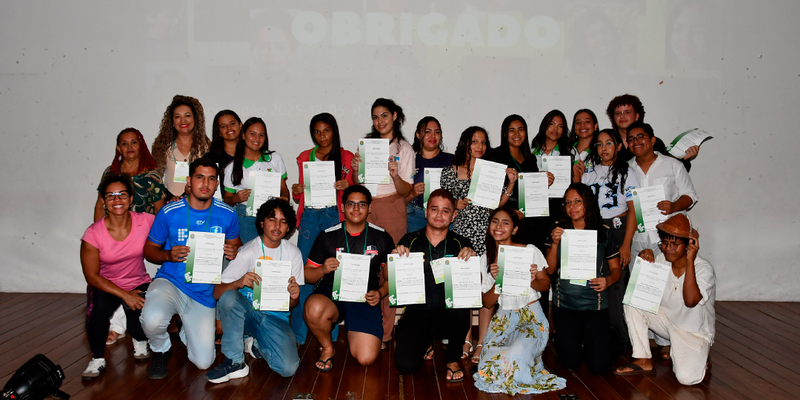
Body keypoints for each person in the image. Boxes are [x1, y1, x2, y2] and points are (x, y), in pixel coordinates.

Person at [140, 158, 242, 379]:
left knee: (204, 362)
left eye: (211, 179)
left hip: (204, 293)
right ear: (189, 181)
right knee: (151, 319)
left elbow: (237, 246)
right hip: (171, 282)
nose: (205, 184)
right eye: (199, 177)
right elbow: (148, 250)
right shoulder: (169, 211)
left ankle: (186, 329)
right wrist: (167, 254)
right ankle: (160, 348)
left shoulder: (227, 214)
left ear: (217, 184)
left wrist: (234, 252)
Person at [440, 125, 517, 362]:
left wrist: (510, 184)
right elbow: (442, 203)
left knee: (485, 292)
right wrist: (455, 204)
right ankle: (464, 339)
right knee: (464, 293)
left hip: (485, 238)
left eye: (483, 142)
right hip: (460, 239)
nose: (479, 146)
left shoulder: (491, 172)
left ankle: (482, 341)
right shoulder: (450, 171)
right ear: (465, 143)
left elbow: (497, 205)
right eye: (474, 141)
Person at [206, 199, 303, 383]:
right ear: (261, 223)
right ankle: (234, 361)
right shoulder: (247, 252)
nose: (277, 226)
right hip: (248, 314)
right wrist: (239, 282)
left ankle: (255, 343)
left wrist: (294, 296)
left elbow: (292, 304)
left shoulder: (294, 253)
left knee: (288, 368)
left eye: (283, 221)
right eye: (272, 219)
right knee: (230, 297)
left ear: (288, 227)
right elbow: (218, 293)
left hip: (275, 317)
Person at [473, 206, 566, 395]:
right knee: (487, 365)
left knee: (514, 356)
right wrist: (498, 282)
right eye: (495, 222)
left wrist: (531, 281)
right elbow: (487, 303)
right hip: (504, 319)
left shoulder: (529, 251)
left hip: (531, 317)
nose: (499, 227)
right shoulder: (485, 259)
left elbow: (545, 284)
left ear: (514, 229)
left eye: (505, 223)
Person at [615, 214, 715, 386]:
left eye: (675, 244)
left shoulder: (703, 269)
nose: (668, 248)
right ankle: (643, 358)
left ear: (689, 245)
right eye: (665, 243)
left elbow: (690, 301)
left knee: (687, 378)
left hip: (692, 332)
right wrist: (644, 261)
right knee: (633, 300)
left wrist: (690, 261)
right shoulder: (661, 260)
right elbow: (643, 292)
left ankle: (700, 353)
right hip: (666, 323)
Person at [303, 185, 395, 371]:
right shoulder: (327, 236)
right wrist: (323, 269)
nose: (356, 208)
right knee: (313, 307)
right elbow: (307, 275)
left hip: (365, 297)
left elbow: (390, 277)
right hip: (331, 294)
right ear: (343, 207)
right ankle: (327, 348)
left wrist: (380, 293)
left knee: (366, 358)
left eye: (362, 204)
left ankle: (367, 336)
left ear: (370, 208)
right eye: (351, 204)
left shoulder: (382, 236)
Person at [91, 127, 166, 346]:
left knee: (136, 282)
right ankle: (116, 327)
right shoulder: (110, 172)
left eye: (134, 142)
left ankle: (132, 329)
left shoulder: (151, 175)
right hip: (114, 235)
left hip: (142, 237)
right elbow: (99, 205)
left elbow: (160, 211)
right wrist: (98, 233)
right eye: (124, 143)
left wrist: (159, 241)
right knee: (114, 280)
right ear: (118, 148)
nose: (129, 147)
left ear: (141, 145)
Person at [393, 189, 477, 383]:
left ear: (454, 215)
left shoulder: (462, 244)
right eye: (434, 209)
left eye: (446, 211)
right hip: (418, 313)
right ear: (426, 212)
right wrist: (394, 258)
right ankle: (426, 342)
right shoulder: (409, 241)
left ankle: (452, 359)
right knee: (406, 366)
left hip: (449, 314)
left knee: (460, 309)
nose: (439, 215)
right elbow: (390, 278)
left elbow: (475, 284)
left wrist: (471, 263)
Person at [351, 98, 414, 345]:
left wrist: (395, 176)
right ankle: (366, 328)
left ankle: (385, 334)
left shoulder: (404, 149)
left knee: (391, 271)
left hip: (391, 207)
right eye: (375, 117)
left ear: (395, 116)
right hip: (366, 208)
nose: (380, 121)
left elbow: (407, 189)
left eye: (384, 115)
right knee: (364, 267)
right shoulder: (367, 146)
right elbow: (358, 183)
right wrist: (355, 169)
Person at [80, 174, 155, 379]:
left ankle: (139, 339)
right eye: (110, 196)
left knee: (142, 327)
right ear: (103, 201)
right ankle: (97, 359)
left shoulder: (146, 221)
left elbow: (171, 226)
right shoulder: (93, 234)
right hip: (106, 285)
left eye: (122, 194)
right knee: (97, 315)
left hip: (138, 282)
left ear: (131, 198)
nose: (117, 200)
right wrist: (125, 295)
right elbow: (92, 277)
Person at [291, 112, 355, 345]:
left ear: (334, 131)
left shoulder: (346, 157)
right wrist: (296, 191)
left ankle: (331, 332)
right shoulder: (304, 157)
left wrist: (349, 185)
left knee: (335, 271)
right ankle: (298, 334)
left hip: (334, 214)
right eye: (317, 132)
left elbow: (356, 192)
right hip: (310, 216)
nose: (322, 136)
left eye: (326, 130)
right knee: (304, 272)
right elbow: (298, 195)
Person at [545, 183, 621, 375]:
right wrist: (555, 243)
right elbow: (550, 269)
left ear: (588, 202)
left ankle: (610, 338)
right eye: (568, 202)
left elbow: (616, 270)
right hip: (565, 304)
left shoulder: (603, 231)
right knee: (569, 362)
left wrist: (607, 281)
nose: (572, 207)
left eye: (578, 201)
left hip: (594, 304)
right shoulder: (558, 229)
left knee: (599, 367)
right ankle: (581, 342)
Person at [579, 128, 640, 351]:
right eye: (599, 144)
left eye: (609, 143)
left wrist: (626, 244)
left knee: (616, 284)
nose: (604, 148)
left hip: (618, 228)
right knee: (592, 280)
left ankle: (618, 335)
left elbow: (634, 210)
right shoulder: (589, 172)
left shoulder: (628, 173)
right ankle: (593, 333)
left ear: (619, 146)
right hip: (593, 229)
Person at [626, 121, 698, 261]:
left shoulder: (673, 165)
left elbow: (690, 195)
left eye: (641, 137)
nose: (636, 141)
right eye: (631, 139)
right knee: (638, 275)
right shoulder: (625, 169)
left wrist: (674, 206)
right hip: (638, 238)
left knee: (670, 275)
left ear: (653, 140)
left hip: (669, 238)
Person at [223, 117, 290, 244]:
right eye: (252, 134)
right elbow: (227, 200)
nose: (257, 139)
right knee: (249, 253)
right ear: (243, 135)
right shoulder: (232, 167)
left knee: (270, 253)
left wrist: (285, 198)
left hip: (272, 216)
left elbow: (284, 189)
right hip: (246, 217)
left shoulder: (275, 158)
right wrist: (235, 198)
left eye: (261, 135)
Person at [605, 94, 696, 171]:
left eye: (627, 112)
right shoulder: (606, 142)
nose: (622, 116)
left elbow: (671, 170)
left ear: (637, 116)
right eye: (618, 113)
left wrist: (685, 159)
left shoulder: (652, 143)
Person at [151, 95, 211, 199]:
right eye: (177, 116)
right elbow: (155, 177)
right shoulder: (162, 146)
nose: (183, 120)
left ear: (195, 119)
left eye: (187, 115)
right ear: (172, 122)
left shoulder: (206, 147)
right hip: (169, 200)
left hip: (198, 200)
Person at [406, 116, 454, 233]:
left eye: (437, 132)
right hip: (415, 215)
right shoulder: (409, 159)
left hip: (444, 215)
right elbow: (398, 199)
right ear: (418, 135)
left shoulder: (452, 160)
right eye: (428, 132)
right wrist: (412, 194)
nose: (433, 136)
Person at [569, 109, 599, 179]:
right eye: (578, 122)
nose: (582, 125)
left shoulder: (600, 151)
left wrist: (586, 177)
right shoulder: (565, 149)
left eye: (587, 121)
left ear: (595, 126)